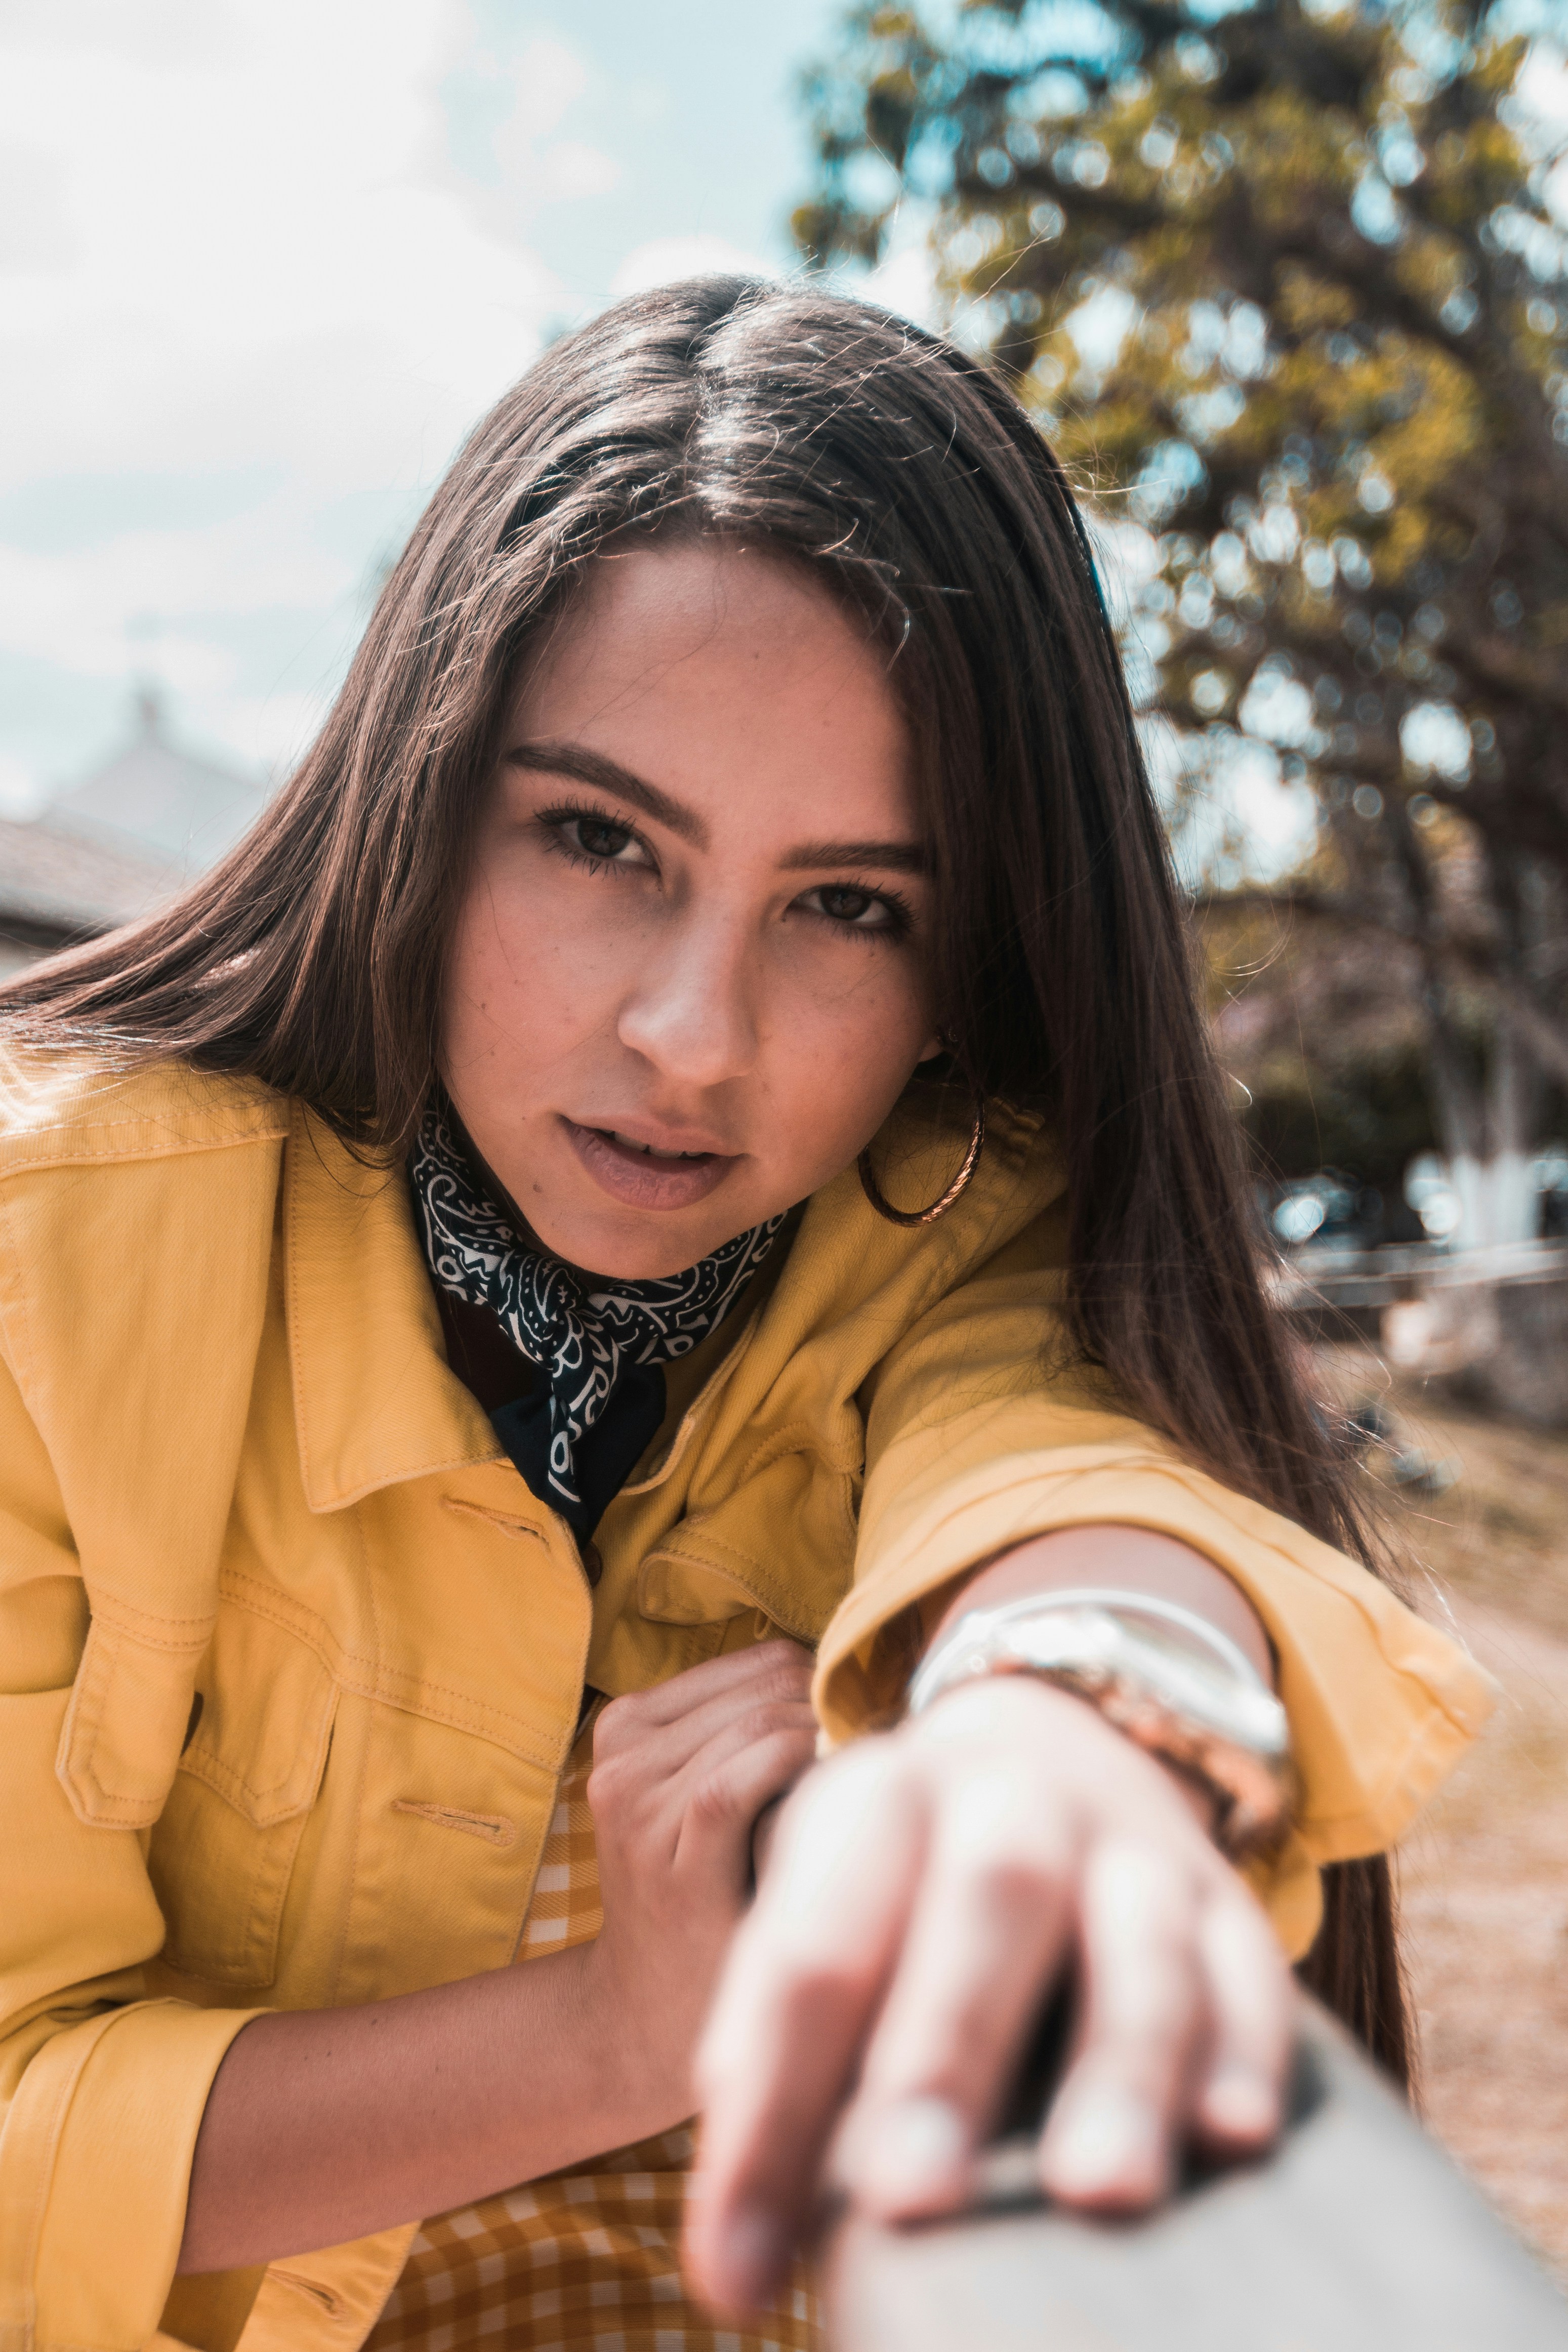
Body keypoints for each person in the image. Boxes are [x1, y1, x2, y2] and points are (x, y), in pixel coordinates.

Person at [0, 278, 1491, 2352]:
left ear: (965, 965)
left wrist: (1068, 1731)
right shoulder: (52, 1252)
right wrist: (615, 2032)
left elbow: (1059, 1470)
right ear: (425, 799)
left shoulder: (951, 1225)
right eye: (599, 839)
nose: (693, 1037)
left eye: (848, 906)